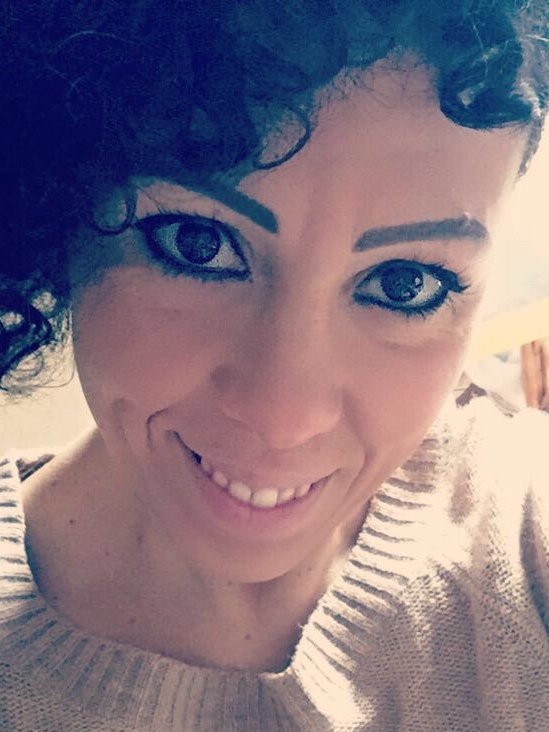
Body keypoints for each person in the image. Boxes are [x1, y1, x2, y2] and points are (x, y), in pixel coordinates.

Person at [1, 1, 548, 730]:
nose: (282, 417)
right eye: (196, 244)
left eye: (403, 285)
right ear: (60, 213)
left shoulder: (523, 538)